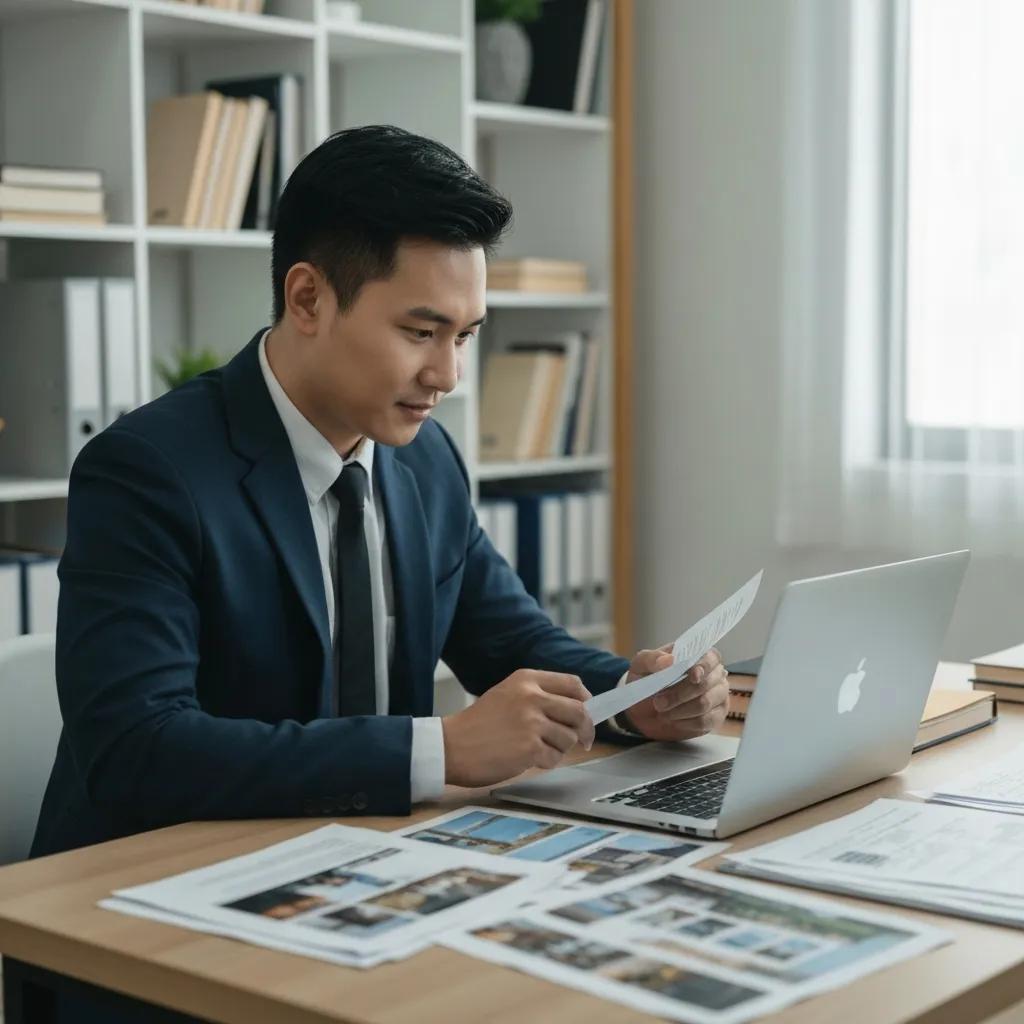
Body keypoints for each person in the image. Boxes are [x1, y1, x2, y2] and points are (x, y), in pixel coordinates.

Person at [31, 125, 728, 862]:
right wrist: (440, 750)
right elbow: (138, 748)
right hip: (144, 886)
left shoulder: (425, 460)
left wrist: (633, 696)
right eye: (422, 331)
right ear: (307, 298)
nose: (448, 376)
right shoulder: (147, 471)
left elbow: (515, 644)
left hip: (363, 861)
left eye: (463, 336)